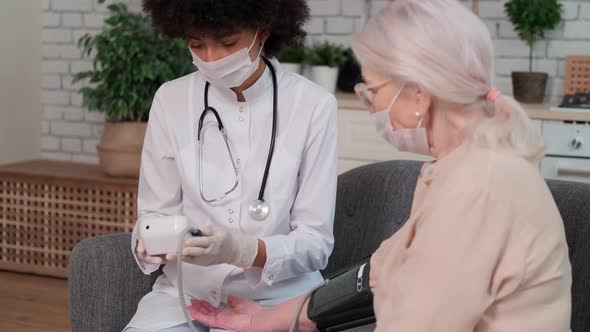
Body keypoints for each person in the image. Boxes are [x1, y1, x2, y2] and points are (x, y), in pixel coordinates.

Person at [185, 1, 572, 331]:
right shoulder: (456, 172)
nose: (371, 106)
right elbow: (372, 276)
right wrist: (267, 320)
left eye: (373, 91)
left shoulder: (480, 186)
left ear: (419, 93)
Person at [125, 0, 338, 331]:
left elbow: (315, 243)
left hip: (276, 301)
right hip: (183, 296)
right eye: (197, 44)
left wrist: (240, 250)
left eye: (227, 43)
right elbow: (154, 213)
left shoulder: (313, 106)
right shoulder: (171, 100)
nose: (211, 58)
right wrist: (154, 240)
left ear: (263, 31)